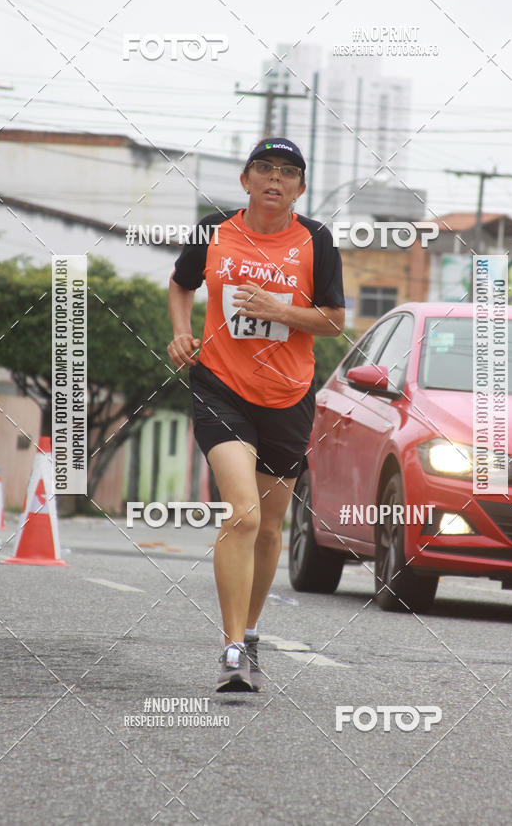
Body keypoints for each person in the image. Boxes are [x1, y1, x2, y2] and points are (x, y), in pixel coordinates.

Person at [167, 138, 345, 692]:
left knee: (270, 528)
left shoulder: (315, 239)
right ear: (245, 180)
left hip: (289, 394)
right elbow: (181, 283)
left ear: (301, 188)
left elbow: (335, 320)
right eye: (264, 168)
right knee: (242, 515)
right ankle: (232, 649)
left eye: (288, 172)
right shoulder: (213, 230)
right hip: (220, 386)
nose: (275, 178)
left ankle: (251, 629)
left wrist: (280, 310)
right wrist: (180, 332)